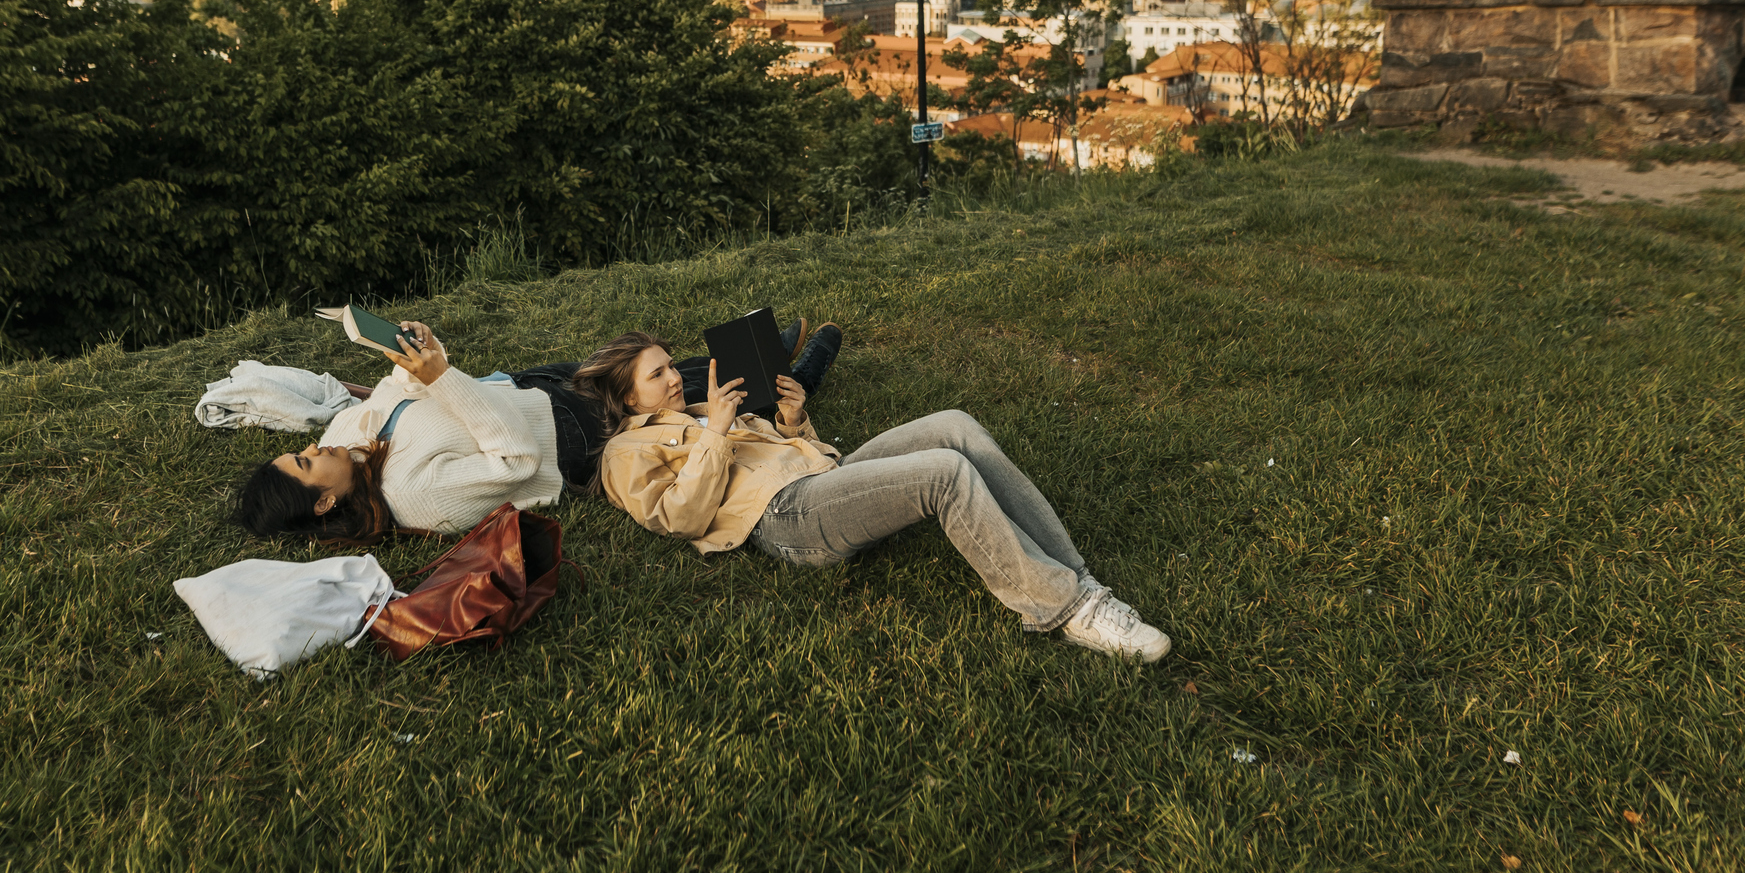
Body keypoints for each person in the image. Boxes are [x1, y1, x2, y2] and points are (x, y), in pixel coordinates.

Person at [577, 332, 1170, 662]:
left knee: (955, 425)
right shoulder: (624, 456)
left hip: (821, 478)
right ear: (629, 400)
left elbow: (789, 452)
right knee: (943, 472)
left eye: (668, 367)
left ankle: (1077, 577)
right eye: (657, 375)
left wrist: (792, 419)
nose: (675, 378)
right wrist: (712, 435)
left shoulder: (705, 410)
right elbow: (681, 516)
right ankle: (1063, 610)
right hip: (784, 519)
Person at [232, 321, 567, 544]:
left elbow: (397, 390)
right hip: (566, 430)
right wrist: (440, 377)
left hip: (520, 383)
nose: (311, 447)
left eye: (298, 454)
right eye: (305, 462)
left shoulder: (343, 443)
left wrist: (424, 355)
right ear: (324, 503)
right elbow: (517, 459)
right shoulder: (415, 496)